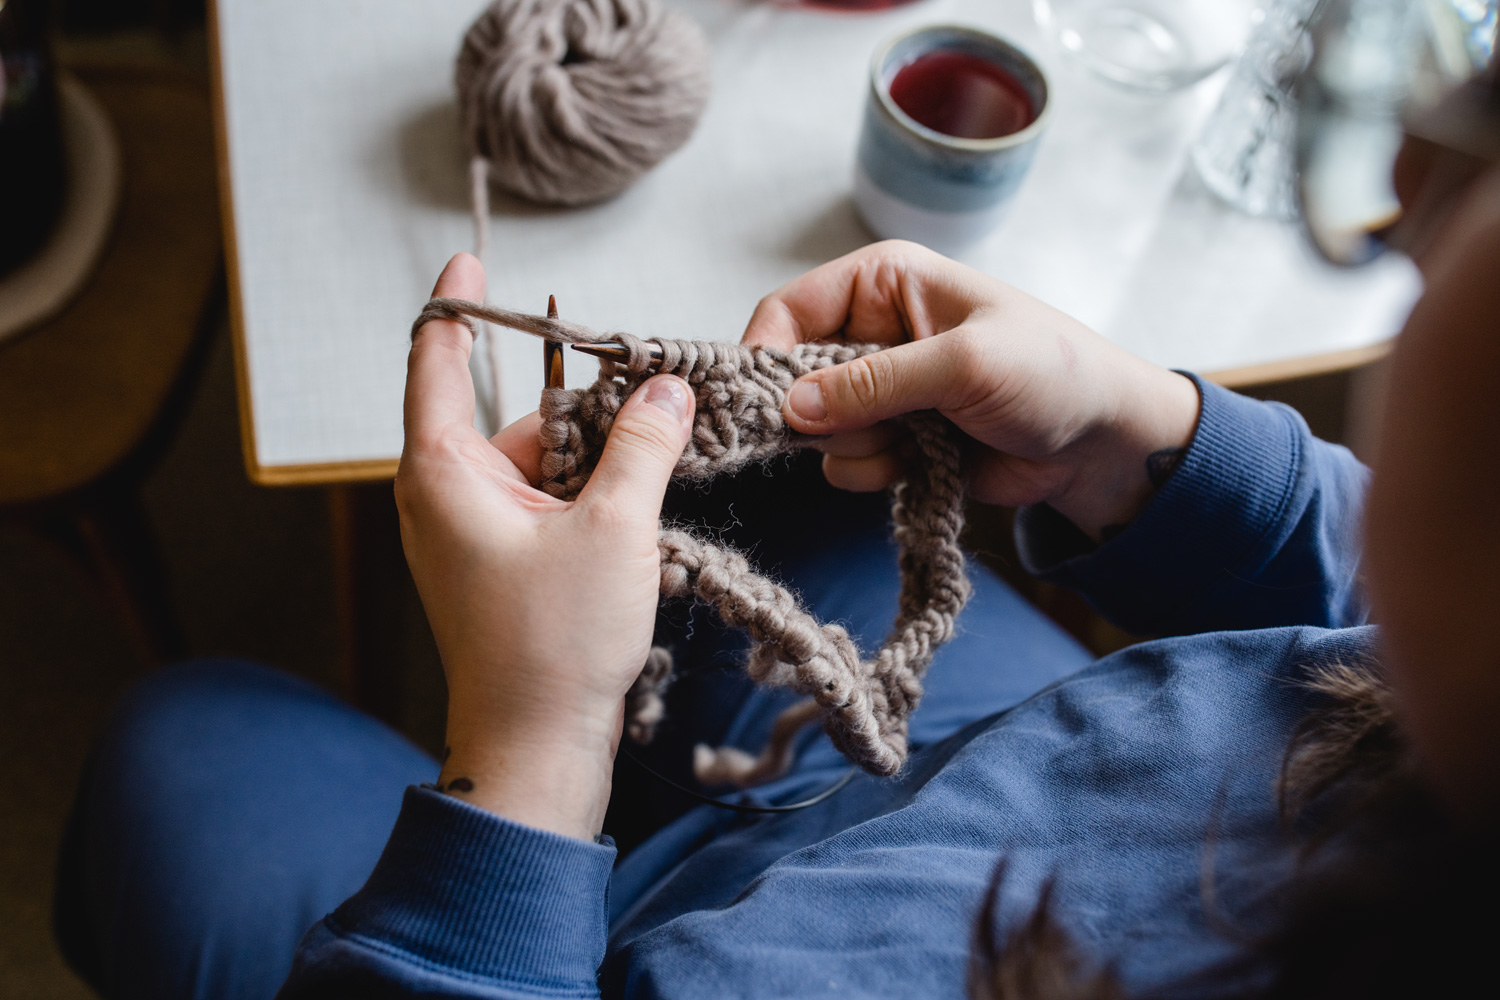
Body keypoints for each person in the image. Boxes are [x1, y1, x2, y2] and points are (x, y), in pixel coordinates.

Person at [53, 102, 1500, 1000]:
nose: (1422, 163)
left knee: (180, 740)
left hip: (685, 933)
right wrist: (1146, 445)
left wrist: (534, 745)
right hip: (953, 772)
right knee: (796, 500)